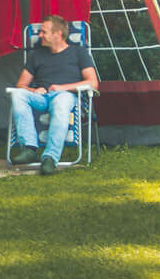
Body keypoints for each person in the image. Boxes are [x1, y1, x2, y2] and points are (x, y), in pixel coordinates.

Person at [9, 14, 98, 175]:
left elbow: (92, 83)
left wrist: (62, 88)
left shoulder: (79, 53)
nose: (39, 35)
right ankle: (29, 148)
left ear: (58, 34)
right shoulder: (36, 54)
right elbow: (21, 85)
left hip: (65, 95)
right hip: (42, 97)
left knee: (61, 102)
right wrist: (33, 91)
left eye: (44, 32)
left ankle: (50, 157)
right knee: (17, 94)